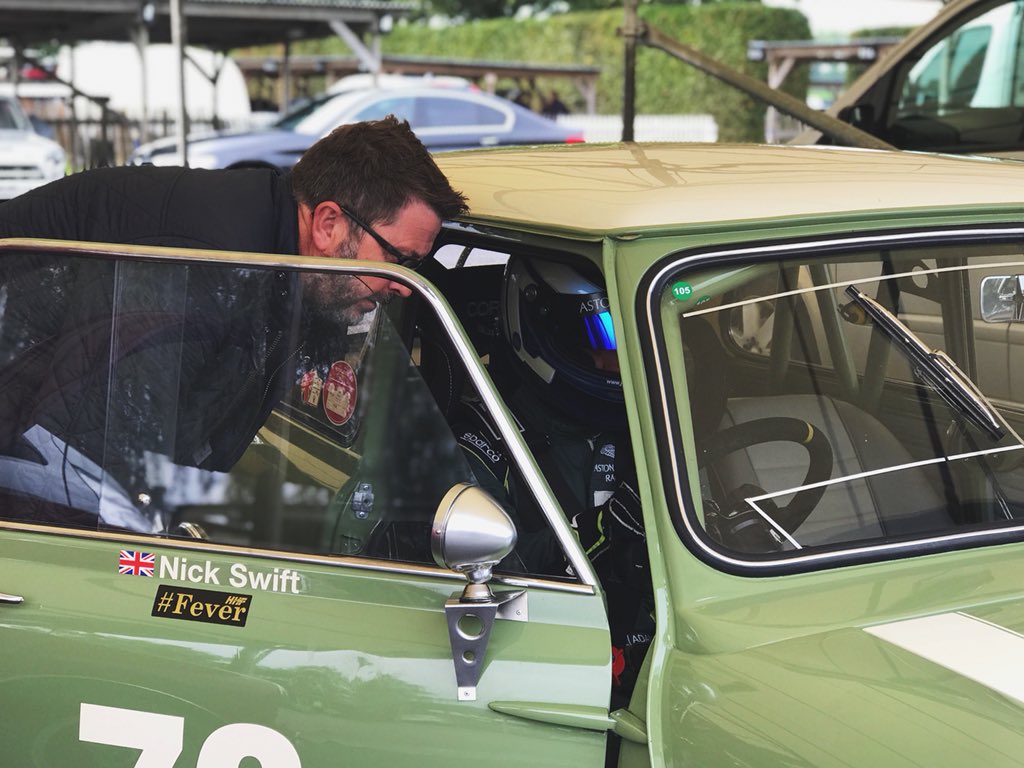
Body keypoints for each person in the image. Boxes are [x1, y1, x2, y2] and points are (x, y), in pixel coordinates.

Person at [0, 116, 468, 528]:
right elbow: (83, 474)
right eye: (399, 259)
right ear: (329, 225)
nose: (404, 284)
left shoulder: (273, 252)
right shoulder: (200, 269)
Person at [455, 255, 653, 710]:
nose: (617, 357)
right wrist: (606, 529)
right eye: (602, 332)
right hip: (546, 670)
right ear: (542, 330)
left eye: (628, 333)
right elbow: (497, 585)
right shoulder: (484, 437)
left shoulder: (654, 415)